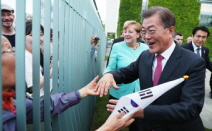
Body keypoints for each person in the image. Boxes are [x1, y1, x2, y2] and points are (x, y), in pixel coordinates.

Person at [95, 6, 206, 131]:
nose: (146, 37)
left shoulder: (194, 62)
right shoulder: (145, 56)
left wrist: (140, 111)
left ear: (170, 31)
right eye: (143, 31)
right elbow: (126, 73)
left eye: (151, 31)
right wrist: (110, 75)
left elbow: (190, 108)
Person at [1, 35, 134, 131]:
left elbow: (44, 106)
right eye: (9, 51)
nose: (15, 57)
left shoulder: (8, 103)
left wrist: (81, 92)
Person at [105, 20, 149, 100]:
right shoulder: (117, 47)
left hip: (140, 93)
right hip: (120, 92)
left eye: (130, 32)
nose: (126, 34)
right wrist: (106, 77)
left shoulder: (146, 48)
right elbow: (110, 68)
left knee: (138, 113)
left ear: (138, 34)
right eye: (125, 32)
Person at [181, 26, 212, 99]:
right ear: (192, 36)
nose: (200, 39)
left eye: (204, 37)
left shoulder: (205, 50)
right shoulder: (183, 49)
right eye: (198, 36)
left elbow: (207, 63)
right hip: (185, 81)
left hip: (199, 82)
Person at [24, 21, 52, 97]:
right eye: (32, 35)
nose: (37, 38)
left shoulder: (36, 54)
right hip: (36, 102)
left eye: (40, 34)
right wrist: (52, 71)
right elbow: (34, 86)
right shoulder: (25, 57)